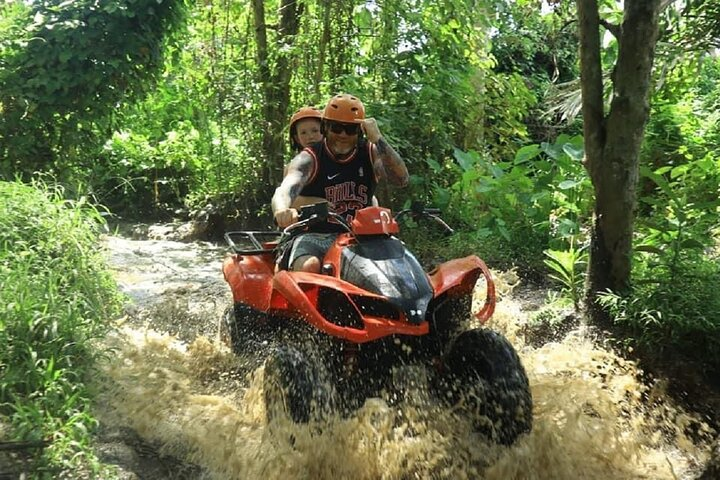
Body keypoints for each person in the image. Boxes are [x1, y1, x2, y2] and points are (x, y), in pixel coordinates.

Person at [271, 93, 409, 273]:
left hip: (364, 237)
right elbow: (286, 188)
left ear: (359, 131)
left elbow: (401, 179)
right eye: (336, 128)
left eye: (350, 129)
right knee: (308, 266)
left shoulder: (370, 152)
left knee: (401, 267)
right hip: (315, 235)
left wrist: (377, 138)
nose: (343, 134)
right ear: (326, 128)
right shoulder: (309, 157)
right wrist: (282, 210)